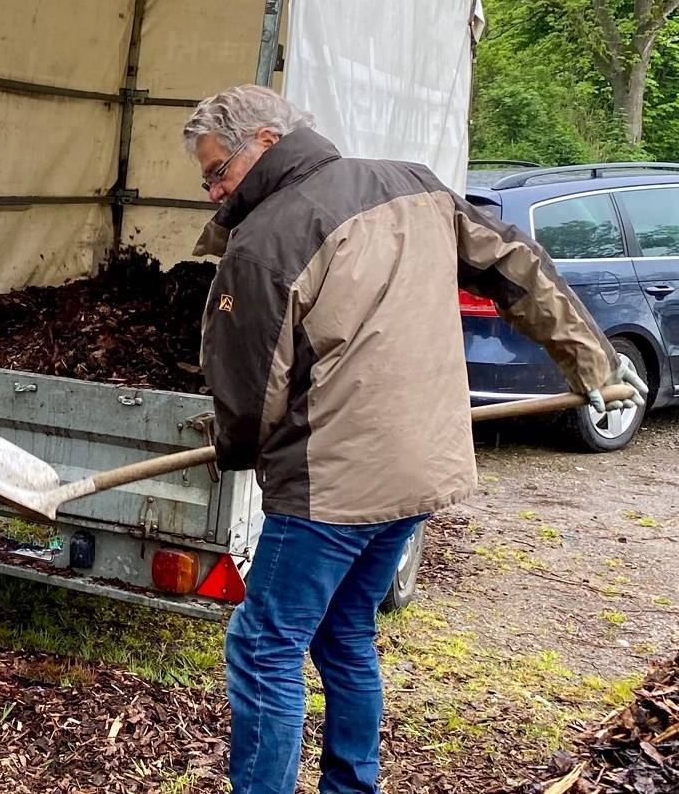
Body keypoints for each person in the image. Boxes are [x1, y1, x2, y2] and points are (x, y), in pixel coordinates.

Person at [182, 85, 647, 794]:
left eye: (218, 171)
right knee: (344, 632)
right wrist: (588, 357)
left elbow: (249, 391)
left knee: (264, 646)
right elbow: (516, 266)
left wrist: (234, 450)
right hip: (419, 472)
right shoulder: (413, 184)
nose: (214, 190)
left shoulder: (266, 241)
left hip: (333, 483)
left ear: (266, 143)